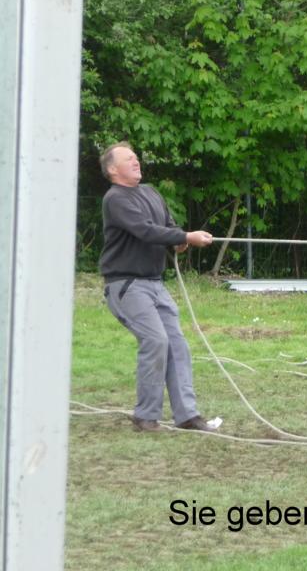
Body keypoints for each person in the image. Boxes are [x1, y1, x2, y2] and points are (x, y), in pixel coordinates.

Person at [99, 142, 217, 433]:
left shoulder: (151, 192)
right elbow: (145, 231)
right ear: (113, 169)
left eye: (136, 157)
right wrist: (186, 236)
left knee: (177, 344)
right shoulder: (115, 199)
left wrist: (179, 241)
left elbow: (168, 227)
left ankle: (187, 416)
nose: (136, 161)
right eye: (129, 159)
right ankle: (145, 417)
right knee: (156, 341)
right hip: (126, 285)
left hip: (155, 283)